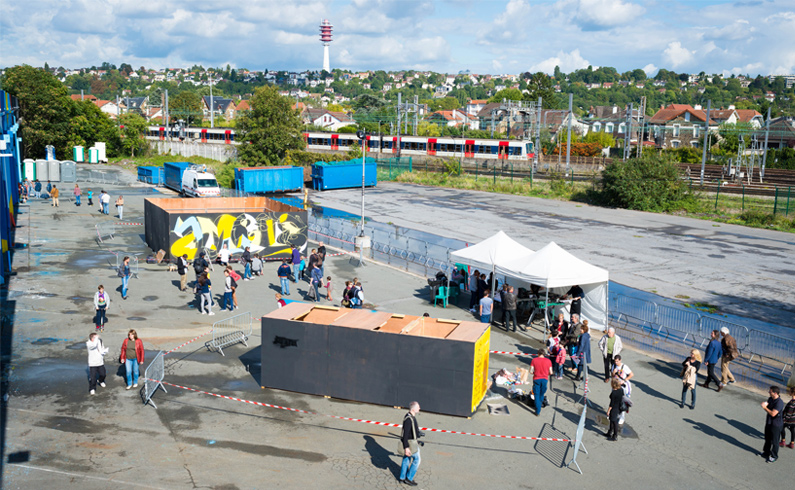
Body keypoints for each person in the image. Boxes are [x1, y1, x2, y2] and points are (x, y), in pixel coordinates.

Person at [399, 401, 422, 486]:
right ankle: (409, 478)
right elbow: (405, 435)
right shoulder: (409, 420)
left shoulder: (409, 416)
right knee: (417, 460)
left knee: (406, 459)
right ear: (414, 408)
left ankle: (402, 477)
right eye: (418, 407)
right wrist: (406, 447)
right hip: (410, 444)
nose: (419, 408)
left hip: (409, 443)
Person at [761, 385, 785, 463]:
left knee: (775, 441)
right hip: (769, 422)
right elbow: (767, 403)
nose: (769, 392)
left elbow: (773, 414)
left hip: (776, 425)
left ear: (775, 393)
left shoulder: (779, 402)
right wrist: (765, 404)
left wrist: (764, 408)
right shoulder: (771, 399)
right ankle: (766, 453)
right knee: (767, 439)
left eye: (770, 391)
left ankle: (774, 456)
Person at [529, 348, 553, 416]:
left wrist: (535, 372)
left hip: (536, 379)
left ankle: (537, 411)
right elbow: (551, 372)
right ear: (544, 354)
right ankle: (540, 402)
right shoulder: (548, 361)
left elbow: (530, 371)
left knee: (536, 394)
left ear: (538, 354)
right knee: (541, 394)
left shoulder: (534, 360)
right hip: (545, 379)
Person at [611, 355, 633, 424]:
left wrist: (624, 380)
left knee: (623, 402)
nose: (616, 362)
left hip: (624, 386)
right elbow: (612, 376)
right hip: (616, 386)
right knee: (615, 400)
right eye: (615, 361)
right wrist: (613, 372)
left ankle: (622, 417)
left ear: (620, 360)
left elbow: (631, 374)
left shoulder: (624, 367)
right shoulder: (613, 366)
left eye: (617, 361)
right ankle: (616, 414)